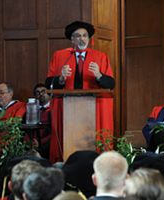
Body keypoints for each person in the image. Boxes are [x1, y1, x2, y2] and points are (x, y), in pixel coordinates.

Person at [45, 21, 115, 163]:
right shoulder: (60, 56)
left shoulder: (101, 57)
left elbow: (111, 84)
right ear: (72, 39)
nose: (81, 39)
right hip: (67, 107)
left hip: (94, 105)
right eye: (77, 36)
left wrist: (99, 76)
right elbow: (49, 84)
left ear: (89, 39)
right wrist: (61, 79)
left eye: (85, 35)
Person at [24, 84, 51, 159]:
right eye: (38, 92)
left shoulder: (53, 110)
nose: (41, 94)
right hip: (31, 144)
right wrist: (28, 141)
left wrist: (40, 142)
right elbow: (26, 129)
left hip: (46, 144)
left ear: (48, 93)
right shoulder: (30, 109)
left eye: (43, 91)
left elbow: (55, 132)